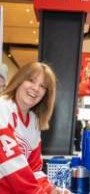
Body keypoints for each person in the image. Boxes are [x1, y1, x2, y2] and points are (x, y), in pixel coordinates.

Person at [0, 62, 70, 193]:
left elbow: (34, 169)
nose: (36, 88)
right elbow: (13, 168)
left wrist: (51, 190)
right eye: (31, 80)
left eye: (43, 86)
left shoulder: (33, 122)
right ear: (19, 80)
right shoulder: (2, 108)